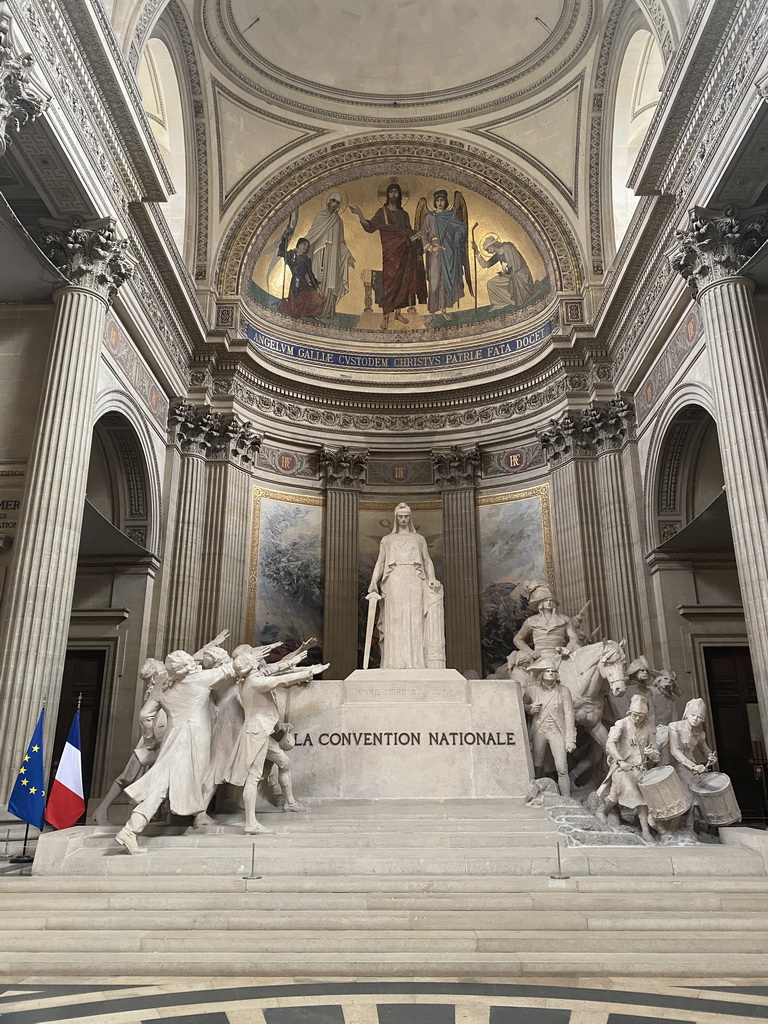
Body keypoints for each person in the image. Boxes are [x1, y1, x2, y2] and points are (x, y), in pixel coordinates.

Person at [115, 648, 237, 854]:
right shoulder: (200, 679)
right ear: (189, 664)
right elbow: (233, 668)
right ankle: (130, 830)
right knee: (162, 785)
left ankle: (132, 829)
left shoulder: (162, 685)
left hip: (173, 737)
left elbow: (145, 715)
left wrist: (150, 740)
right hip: (193, 741)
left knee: (163, 784)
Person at [225, 648, 328, 835]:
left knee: (284, 762)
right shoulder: (254, 682)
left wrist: (295, 662)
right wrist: (309, 672)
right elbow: (279, 680)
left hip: (262, 730)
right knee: (254, 776)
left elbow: (274, 670)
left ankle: (289, 803)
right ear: (251, 665)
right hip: (257, 732)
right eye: (255, 658)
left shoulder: (250, 678)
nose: (259, 659)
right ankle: (251, 823)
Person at [367, 503, 445, 669]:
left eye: (406, 516)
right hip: (394, 579)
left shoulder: (419, 539)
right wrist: (374, 582)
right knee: (395, 619)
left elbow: (426, 560)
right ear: (395, 518)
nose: (403, 519)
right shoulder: (387, 540)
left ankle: (417, 662)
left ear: (410, 517)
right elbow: (380, 563)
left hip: (415, 579)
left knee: (415, 620)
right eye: (400, 516)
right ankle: (394, 661)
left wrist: (432, 578)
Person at [92, 658, 168, 826]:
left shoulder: (160, 682)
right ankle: (101, 810)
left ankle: (152, 813)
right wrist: (150, 741)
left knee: (154, 775)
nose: (163, 662)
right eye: (159, 663)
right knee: (128, 776)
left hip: (160, 735)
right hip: (154, 738)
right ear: (156, 672)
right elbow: (148, 716)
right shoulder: (160, 683)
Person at [350, 182, 427, 330]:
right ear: (387, 195)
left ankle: (398, 313)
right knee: (389, 285)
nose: (393, 195)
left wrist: (419, 235)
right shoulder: (382, 212)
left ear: (399, 195)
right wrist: (360, 214)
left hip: (404, 253)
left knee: (403, 284)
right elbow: (370, 227)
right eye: (391, 192)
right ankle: (386, 317)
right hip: (390, 255)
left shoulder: (404, 214)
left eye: (396, 192)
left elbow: (408, 233)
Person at [597, 693, 660, 839]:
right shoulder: (622, 724)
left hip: (641, 768)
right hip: (622, 767)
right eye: (635, 715)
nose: (637, 718)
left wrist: (651, 754)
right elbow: (610, 744)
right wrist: (620, 760)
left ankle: (645, 831)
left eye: (641, 716)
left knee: (643, 798)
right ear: (630, 712)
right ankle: (601, 809)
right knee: (615, 795)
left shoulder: (650, 728)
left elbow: (656, 753)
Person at [523, 656, 576, 798]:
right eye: (548, 671)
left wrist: (570, 739)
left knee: (562, 767)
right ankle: (537, 793)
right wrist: (529, 708)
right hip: (539, 729)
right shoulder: (532, 689)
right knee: (537, 764)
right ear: (542, 674)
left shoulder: (563, 691)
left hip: (557, 731)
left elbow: (569, 715)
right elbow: (520, 705)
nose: (551, 673)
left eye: (553, 671)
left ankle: (566, 798)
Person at [417, 189, 470, 324]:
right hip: (434, 255)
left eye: (442, 200)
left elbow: (462, 228)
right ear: (434, 202)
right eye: (437, 200)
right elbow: (422, 234)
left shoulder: (450, 215)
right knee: (434, 281)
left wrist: (457, 236)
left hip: (448, 253)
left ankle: (444, 310)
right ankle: (432, 312)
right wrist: (430, 246)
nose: (440, 203)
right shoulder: (430, 217)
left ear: (446, 202)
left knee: (446, 282)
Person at [305, 193, 355, 319]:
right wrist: (301, 247)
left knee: (330, 282)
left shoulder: (339, 221)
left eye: (338, 202)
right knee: (317, 278)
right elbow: (313, 233)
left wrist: (348, 255)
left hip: (333, 257)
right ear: (328, 201)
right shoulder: (320, 216)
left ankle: (326, 311)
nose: (335, 204)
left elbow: (341, 241)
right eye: (333, 201)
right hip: (319, 253)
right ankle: (313, 310)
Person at [668, 697, 717, 827]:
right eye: (693, 715)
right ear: (687, 714)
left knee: (697, 793)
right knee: (689, 792)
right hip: (677, 765)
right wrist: (692, 766)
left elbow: (705, 750)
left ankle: (691, 823)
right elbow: (674, 750)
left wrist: (710, 757)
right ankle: (679, 824)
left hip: (693, 767)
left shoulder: (700, 733)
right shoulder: (675, 727)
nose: (695, 719)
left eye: (699, 717)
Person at [513, 582, 581, 661]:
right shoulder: (531, 621)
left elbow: (573, 637)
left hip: (560, 655)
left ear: (554, 603)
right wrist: (530, 652)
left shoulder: (564, 619)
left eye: (550, 600)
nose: (549, 602)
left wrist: (569, 648)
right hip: (540, 657)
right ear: (541, 603)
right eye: (546, 600)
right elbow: (518, 639)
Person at [471, 234, 535, 311]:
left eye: (487, 249)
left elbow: (514, 266)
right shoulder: (497, 255)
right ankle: (500, 303)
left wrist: (505, 274)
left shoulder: (507, 248)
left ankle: (515, 299)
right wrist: (477, 252)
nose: (488, 252)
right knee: (491, 283)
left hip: (520, 274)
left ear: (492, 245)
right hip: (509, 275)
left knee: (514, 279)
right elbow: (485, 265)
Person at [277, 236, 324, 319]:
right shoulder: (291, 254)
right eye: (304, 244)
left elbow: (310, 274)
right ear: (299, 244)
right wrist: (284, 239)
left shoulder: (307, 259)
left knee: (316, 296)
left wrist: (317, 287)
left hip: (304, 282)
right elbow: (281, 252)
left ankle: (309, 313)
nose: (306, 247)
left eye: (307, 246)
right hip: (296, 281)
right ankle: (292, 310)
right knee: (296, 301)